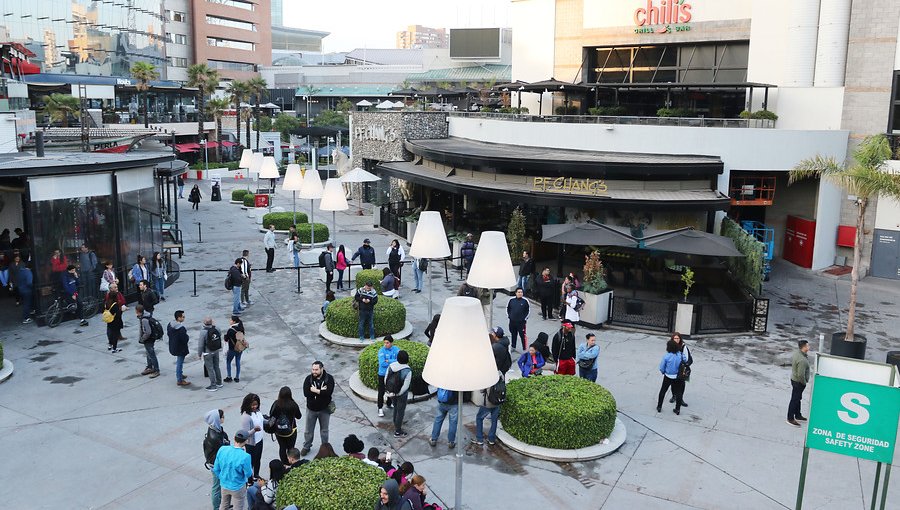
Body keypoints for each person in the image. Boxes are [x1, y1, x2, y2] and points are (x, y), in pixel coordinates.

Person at [211, 429, 253, 510]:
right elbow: (248, 474)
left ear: (234, 438)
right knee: (238, 507)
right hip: (238, 487)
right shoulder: (245, 456)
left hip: (224, 484)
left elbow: (216, 468)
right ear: (246, 441)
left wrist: (222, 477)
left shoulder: (222, 449)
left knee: (223, 505)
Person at [301, 361, 335, 456]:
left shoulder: (329, 379)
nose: (314, 371)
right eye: (313, 369)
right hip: (311, 409)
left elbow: (328, 393)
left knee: (324, 431)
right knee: (308, 430)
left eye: (316, 369)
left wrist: (315, 390)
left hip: (324, 410)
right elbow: (306, 393)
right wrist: (321, 391)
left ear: (322, 369)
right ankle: (306, 446)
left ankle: (325, 447)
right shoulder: (308, 379)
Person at [269, 386, 303, 463]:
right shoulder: (293, 404)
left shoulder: (276, 404)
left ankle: (284, 463)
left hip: (279, 431)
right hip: (291, 431)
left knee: (282, 447)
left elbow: (271, 416)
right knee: (291, 448)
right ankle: (291, 462)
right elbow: (299, 416)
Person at [203, 409, 230, 510]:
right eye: (222, 417)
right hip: (216, 464)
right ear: (217, 419)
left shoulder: (216, 429)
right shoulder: (214, 436)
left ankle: (221, 504)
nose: (224, 418)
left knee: (219, 485)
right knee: (217, 486)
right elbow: (223, 450)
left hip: (216, 462)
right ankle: (216, 507)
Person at [385, 350, 413, 437]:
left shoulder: (391, 366)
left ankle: (395, 422)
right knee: (400, 411)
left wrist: (391, 392)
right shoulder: (408, 371)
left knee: (396, 408)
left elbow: (385, 379)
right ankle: (398, 431)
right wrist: (399, 393)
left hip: (392, 393)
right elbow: (405, 386)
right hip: (401, 395)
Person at [239, 393, 265, 478]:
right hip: (251, 444)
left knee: (258, 459)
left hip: (259, 440)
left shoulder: (257, 412)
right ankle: (249, 479)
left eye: (256, 404)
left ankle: (256, 475)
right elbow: (245, 434)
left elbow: (262, 421)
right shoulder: (246, 417)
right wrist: (254, 430)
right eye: (252, 405)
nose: (255, 407)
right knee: (251, 462)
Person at [657, 339, 686, 415]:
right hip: (678, 377)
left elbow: (662, 367)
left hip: (668, 376)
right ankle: (677, 409)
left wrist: (663, 372)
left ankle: (659, 406)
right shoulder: (680, 355)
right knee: (679, 393)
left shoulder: (666, 356)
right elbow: (685, 361)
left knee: (663, 391)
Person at [472, 376, 502, 446]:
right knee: (494, 420)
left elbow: (481, 390)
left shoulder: (488, 376)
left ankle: (479, 439)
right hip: (497, 403)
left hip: (488, 403)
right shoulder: (501, 375)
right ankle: (491, 439)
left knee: (479, 418)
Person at [788, 340, 811, 427]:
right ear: (804, 347)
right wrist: (804, 382)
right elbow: (801, 375)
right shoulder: (802, 360)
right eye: (807, 346)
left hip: (794, 380)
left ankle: (798, 415)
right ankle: (790, 418)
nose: (809, 347)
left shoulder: (798, 353)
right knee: (795, 399)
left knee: (798, 398)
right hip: (798, 382)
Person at [377, 336, 400, 417]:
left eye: (387, 343)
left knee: (391, 390)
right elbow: (382, 363)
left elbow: (399, 361)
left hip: (392, 374)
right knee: (381, 391)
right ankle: (380, 408)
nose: (385, 344)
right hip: (382, 374)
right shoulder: (381, 351)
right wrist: (393, 362)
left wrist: (389, 361)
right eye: (384, 342)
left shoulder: (396, 349)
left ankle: (389, 403)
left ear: (391, 343)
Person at [167, 310, 191, 386]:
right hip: (180, 348)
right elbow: (185, 339)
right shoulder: (181, 328)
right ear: (179, 318)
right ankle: (179, 379)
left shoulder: (170, 325)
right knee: (180, 363)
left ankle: (180, 374)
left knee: (179, 362)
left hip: (173, 346)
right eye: (183, 317)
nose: (184, 318)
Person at [200, 317, 223, 392]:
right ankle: (219, 382)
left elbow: (201, 344)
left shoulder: (203, 332)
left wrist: (199, 353)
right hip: (216, 350)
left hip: (208, 351)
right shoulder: (217, 328)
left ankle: (213, 385)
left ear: (204, 323)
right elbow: (220, 334)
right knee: (216, 366)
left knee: (210, 369)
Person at [135, 304, 159, 377]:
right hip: (149, 339)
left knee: (151, 354)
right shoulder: (144, 317)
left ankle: (156, 369)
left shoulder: (144, 319)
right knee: (148, 353)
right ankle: (149, 367)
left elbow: (148, 332)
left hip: (148, 339)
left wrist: (142, 338)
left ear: (137, 311)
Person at [669, 332, 692, 406]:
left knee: (682, 384)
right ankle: (674, 396)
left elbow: (687, 358)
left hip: (682, 368)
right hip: (673, 368)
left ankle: (680, 398)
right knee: (673, 383)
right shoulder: (671, 346)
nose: (676, 340)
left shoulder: (683, 347)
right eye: (675, 338)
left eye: (678, 338)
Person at [103, 283, 126, 349]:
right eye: (115, 287)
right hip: (112, 315)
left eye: (116, 287)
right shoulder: (109, 296)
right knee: (112, 329)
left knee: (116, 328)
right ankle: (112, 343)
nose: (117, 288)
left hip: (117, 314)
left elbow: (122, 300)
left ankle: (118, 337)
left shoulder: (118, 293)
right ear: (111, 289)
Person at [224, 315, 245, 382]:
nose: (230, 321)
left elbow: (226, 339)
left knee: (228, 362)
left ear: (234, 321)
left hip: (232, 349)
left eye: (231, 320)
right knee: (238, 361)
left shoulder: (231, 330)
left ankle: (229, 376)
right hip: (240, 348)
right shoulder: (241, 328)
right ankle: (237, 377)